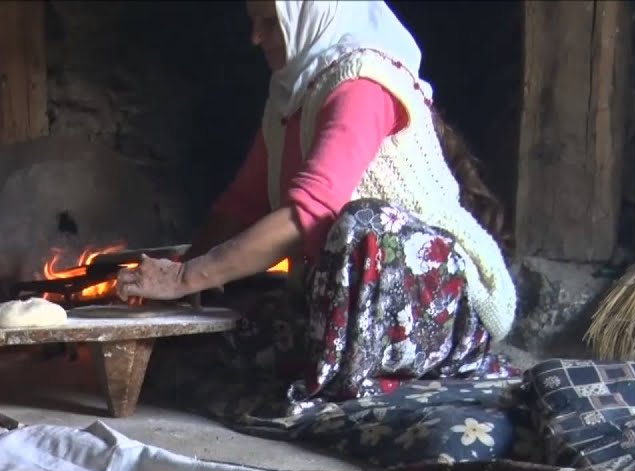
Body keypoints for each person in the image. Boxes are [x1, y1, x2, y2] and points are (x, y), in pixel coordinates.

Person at [118, 0, 519, 409]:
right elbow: (241, 203)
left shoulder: (364, 83)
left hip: (443, 304)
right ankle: (336, 362)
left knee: (361, 220)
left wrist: (188, 276)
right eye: (253, 22)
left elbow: (310, 214)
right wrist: (175, 288)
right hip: (353, 303)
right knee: (223, 338)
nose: (255, 38)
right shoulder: (288, 100)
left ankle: (348, 373)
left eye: (270, 23)